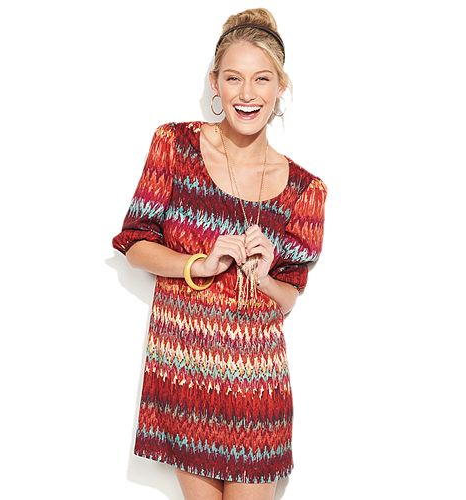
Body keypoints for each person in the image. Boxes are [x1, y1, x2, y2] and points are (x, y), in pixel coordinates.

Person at [112, 7, 327, 500]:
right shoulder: (175, 145)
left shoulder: (306, 189)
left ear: (280, 86)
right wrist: (198, 265)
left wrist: (265, 275)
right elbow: (134, 243)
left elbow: (288, 298)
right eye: (233, 78)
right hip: (185, 373)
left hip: (257, 385)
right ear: (215, 83)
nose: (247, 94)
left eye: (261, 79)